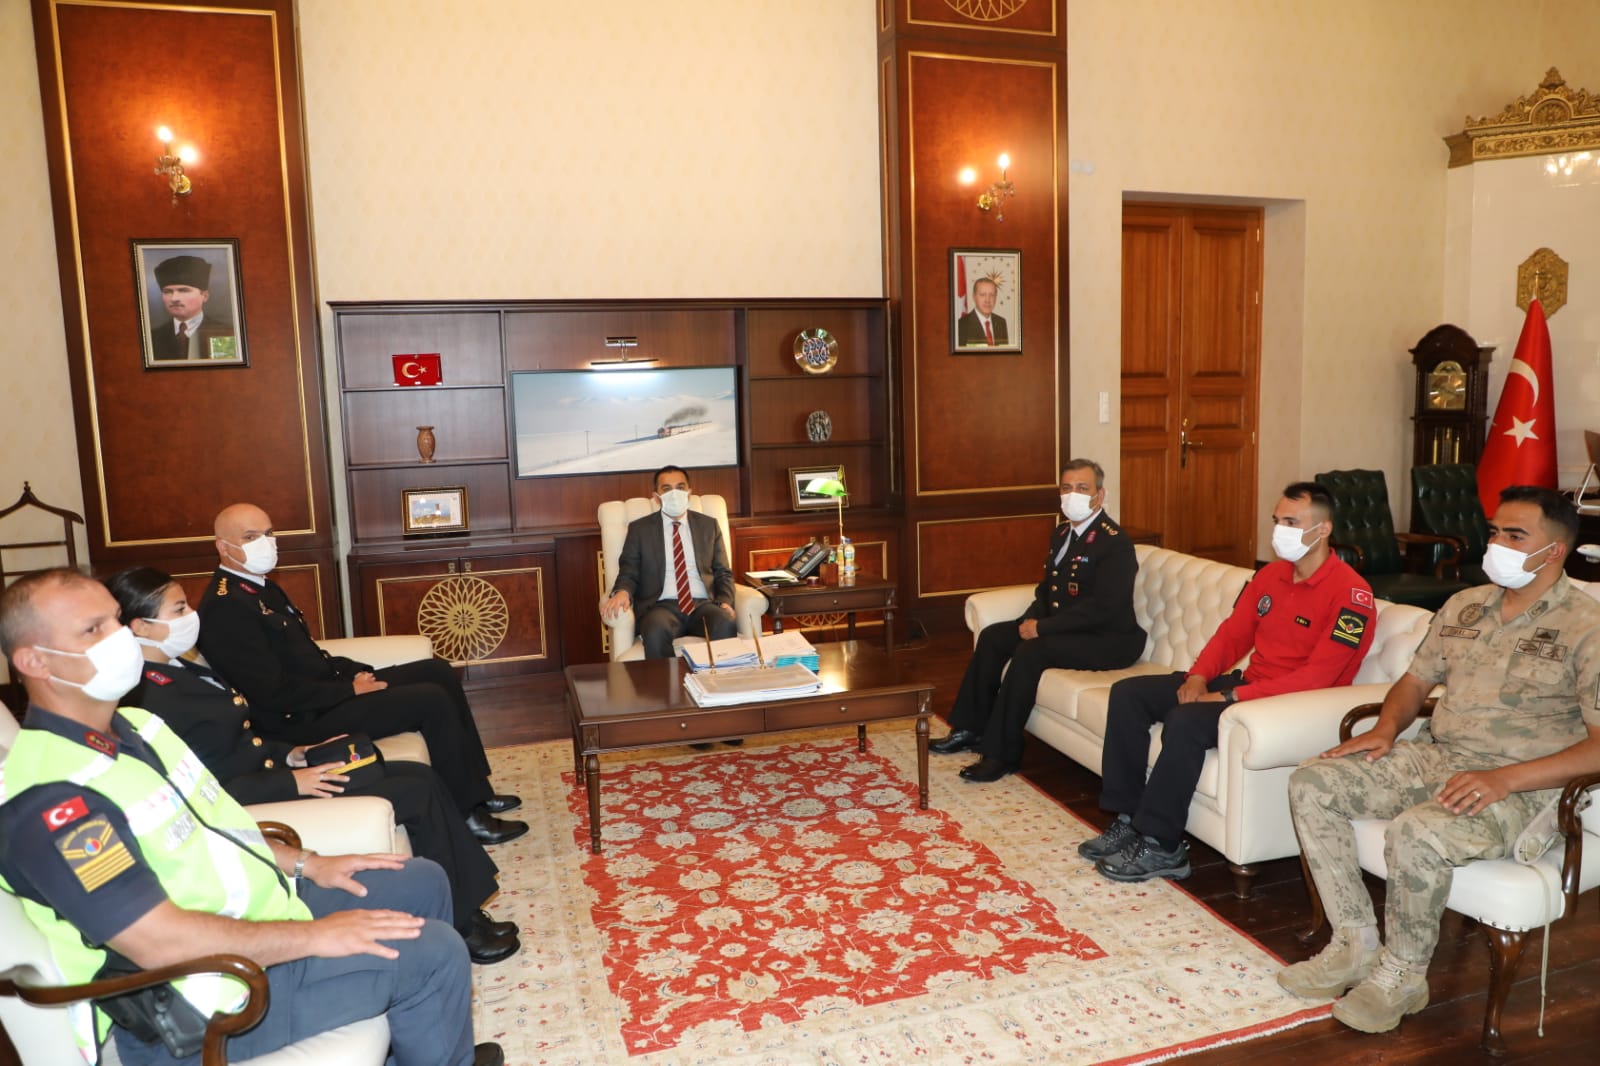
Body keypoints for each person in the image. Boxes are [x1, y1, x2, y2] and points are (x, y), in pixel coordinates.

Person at [0, 569, 503, 1066]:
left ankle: (428, 1044)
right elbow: (158, 942)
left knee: (421, 880)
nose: (119, 638)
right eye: (93, 630)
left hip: (254, 918)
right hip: (199, 1002)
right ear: (34, 661)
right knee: (434, 952)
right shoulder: (53, 802)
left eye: (115, 620)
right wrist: (317, 936)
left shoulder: (137, 725)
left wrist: (309, 863)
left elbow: (215, 823)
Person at [1278, 486, 1600, 1035]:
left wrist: (1505, 779)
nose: (1496, 544)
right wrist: (1385, 729)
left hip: (1524, 786)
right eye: (1494, 532)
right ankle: (1354, 943)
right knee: (1312, 783)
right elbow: (1414, 681)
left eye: (1515, 535)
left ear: (1555, 550)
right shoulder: (1465, 604)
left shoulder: (1587, 626)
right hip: (1439, 755)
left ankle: (1403, 977)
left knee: (1418, 832)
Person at [107, 566, 519, 965]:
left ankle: (466, 908)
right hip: (260, 795)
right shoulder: (146, 700)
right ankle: (462, 924)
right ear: (142, 626)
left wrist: (293, 754)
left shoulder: (177, 667)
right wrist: (292, 781)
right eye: (179, 609)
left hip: (277, 768)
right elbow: (200, 788)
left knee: (417, 776)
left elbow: (243, 738)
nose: (191, 615)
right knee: (416, 791)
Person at [1081, 481, 1376, 883]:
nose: (1280, 531)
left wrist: (1230, 695)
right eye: (1277, 520)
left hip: (1291, 707)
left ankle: (1163, 845)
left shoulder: (1351, 595)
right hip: (1250, 685)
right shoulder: (1271, 575)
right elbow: (1233, 635)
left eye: (1292, 522)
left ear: (1323, 529)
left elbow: (1315, 679)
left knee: (1185, 721)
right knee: (1129, 694)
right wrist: (1199, 676)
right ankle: (1130, 818)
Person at [196, 502, 525, 846]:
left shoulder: (259, 587)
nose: (265, 543)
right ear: (223, 547)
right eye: (251, 537)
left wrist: (354, 673)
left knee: (437, 671)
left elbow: (306, 656)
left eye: (268, 533)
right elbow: (273, 694)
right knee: (431, 700)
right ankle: (467, 815)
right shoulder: (226, 608)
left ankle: (476, 791)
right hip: (298, 721)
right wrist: (350, 691)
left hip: (322, 696)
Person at [932, 460, 1146, 782]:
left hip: (1107, 639)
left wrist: (1042, 628)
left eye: (1082, 488)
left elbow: (1104, 608)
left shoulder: (1114, 542)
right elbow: (1049, 590)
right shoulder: (1062, 533)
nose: (1072, 495)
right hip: (1068, 630)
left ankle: (1001, 755)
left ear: (1100, 495)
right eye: (1066, 488)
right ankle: (969, 729)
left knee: (1031, 653)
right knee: (993, 637)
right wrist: (1030, 618)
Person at [601, 464, 738, 659]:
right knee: (655, 629)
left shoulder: (709, 525)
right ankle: (666, 680)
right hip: (661, 607)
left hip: (703, 605)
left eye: (680, 488)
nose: (675, 494)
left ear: (689, 493)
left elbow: (723, 571)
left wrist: (725, 601)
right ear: (656, 497)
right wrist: (622, 592)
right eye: (667, 489)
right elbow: (629, 570)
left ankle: (720, 678)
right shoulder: (640, 529)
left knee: (725, 622)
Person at [147, 254, 233, 361]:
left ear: (204, 296)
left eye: (183, 290)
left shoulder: (225, 332)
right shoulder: (151, 337)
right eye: (167, 292)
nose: (174, 298)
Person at [956, 277, 1009, 347]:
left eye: (992, 295)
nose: (987, 300)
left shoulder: (1001, 323)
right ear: (974, 297)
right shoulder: (961, 326)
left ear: (996, 297)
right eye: (983, 294)